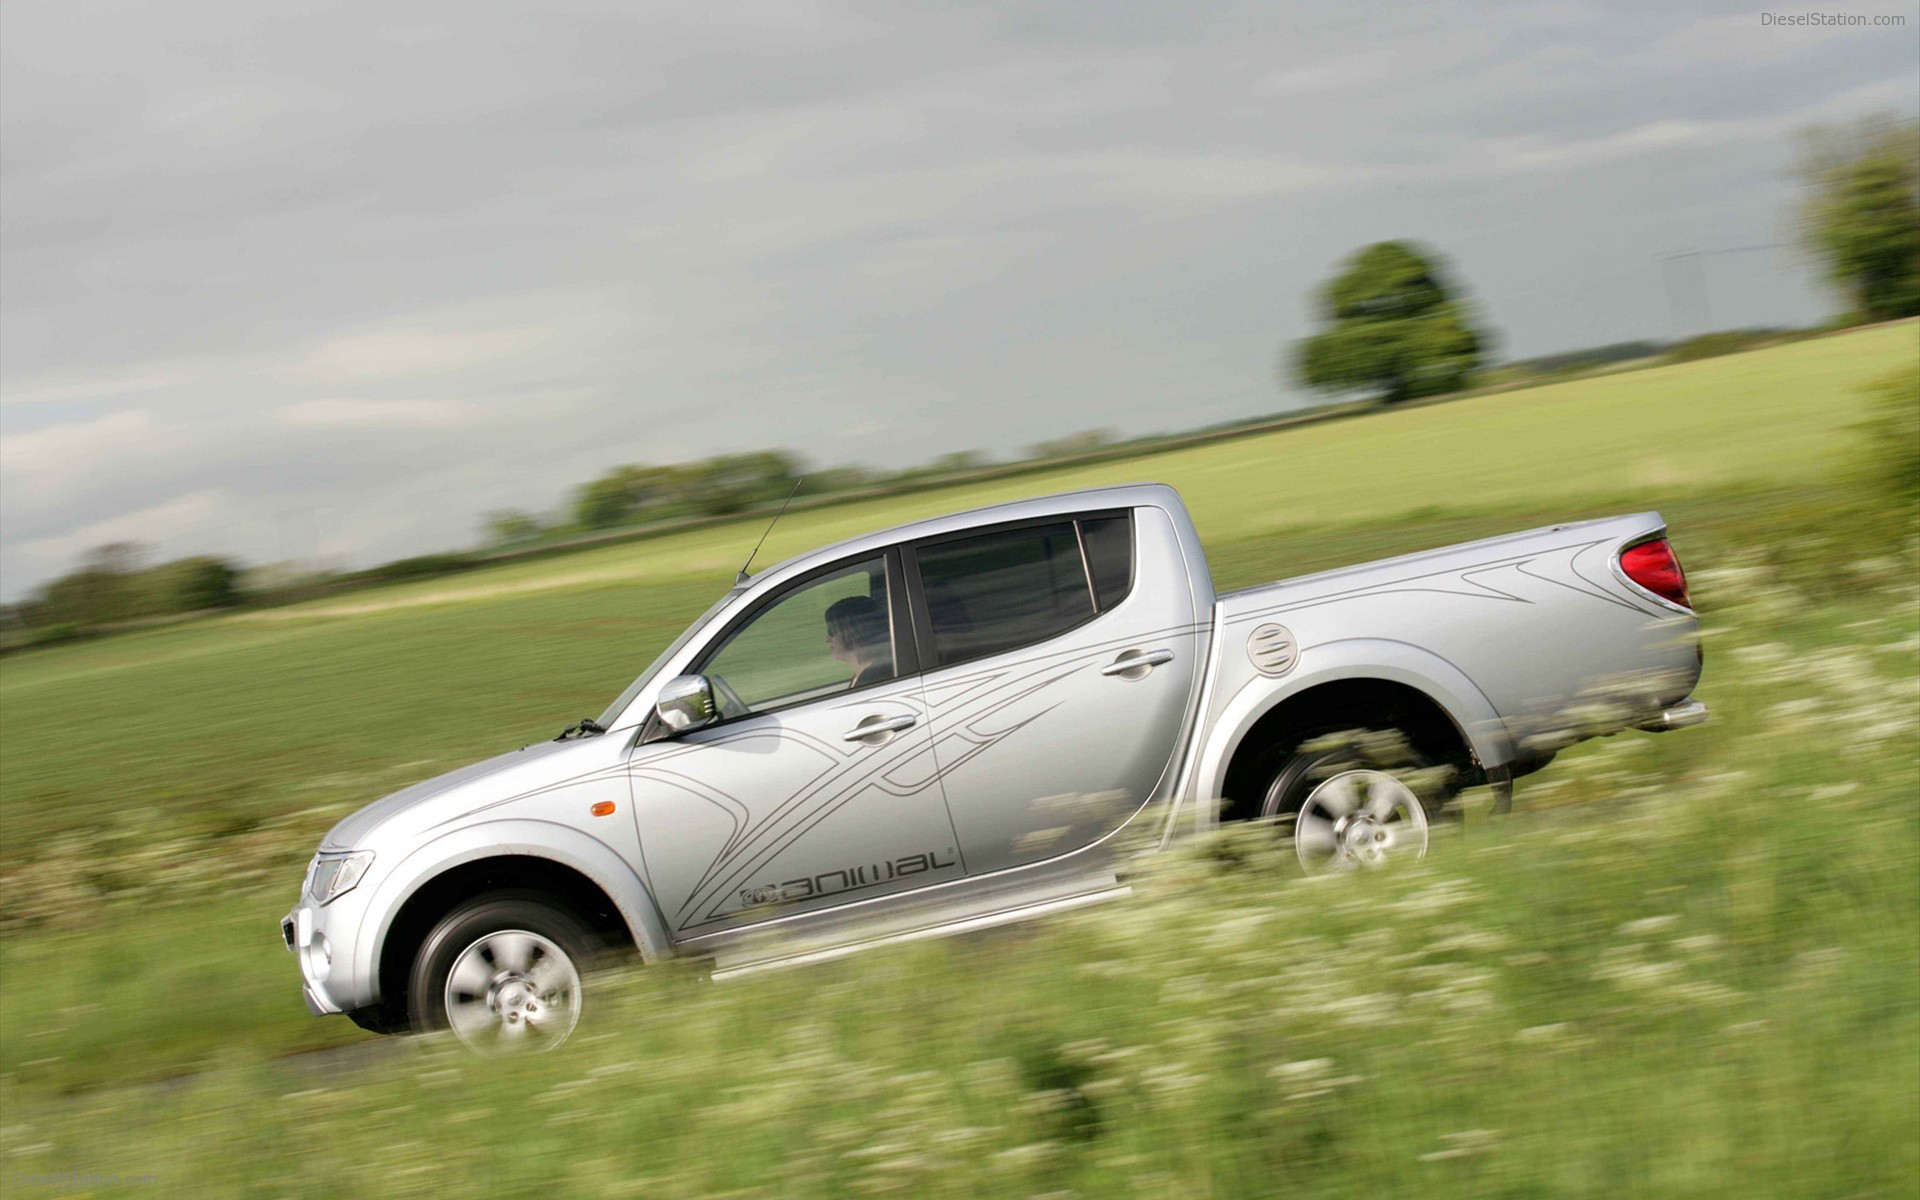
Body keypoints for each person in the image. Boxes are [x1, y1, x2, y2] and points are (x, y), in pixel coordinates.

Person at [824, 595, 892, 689]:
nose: (827, 639)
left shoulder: (874, 681)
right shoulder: (866, 677)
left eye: (832, 631)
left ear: (854, 633)